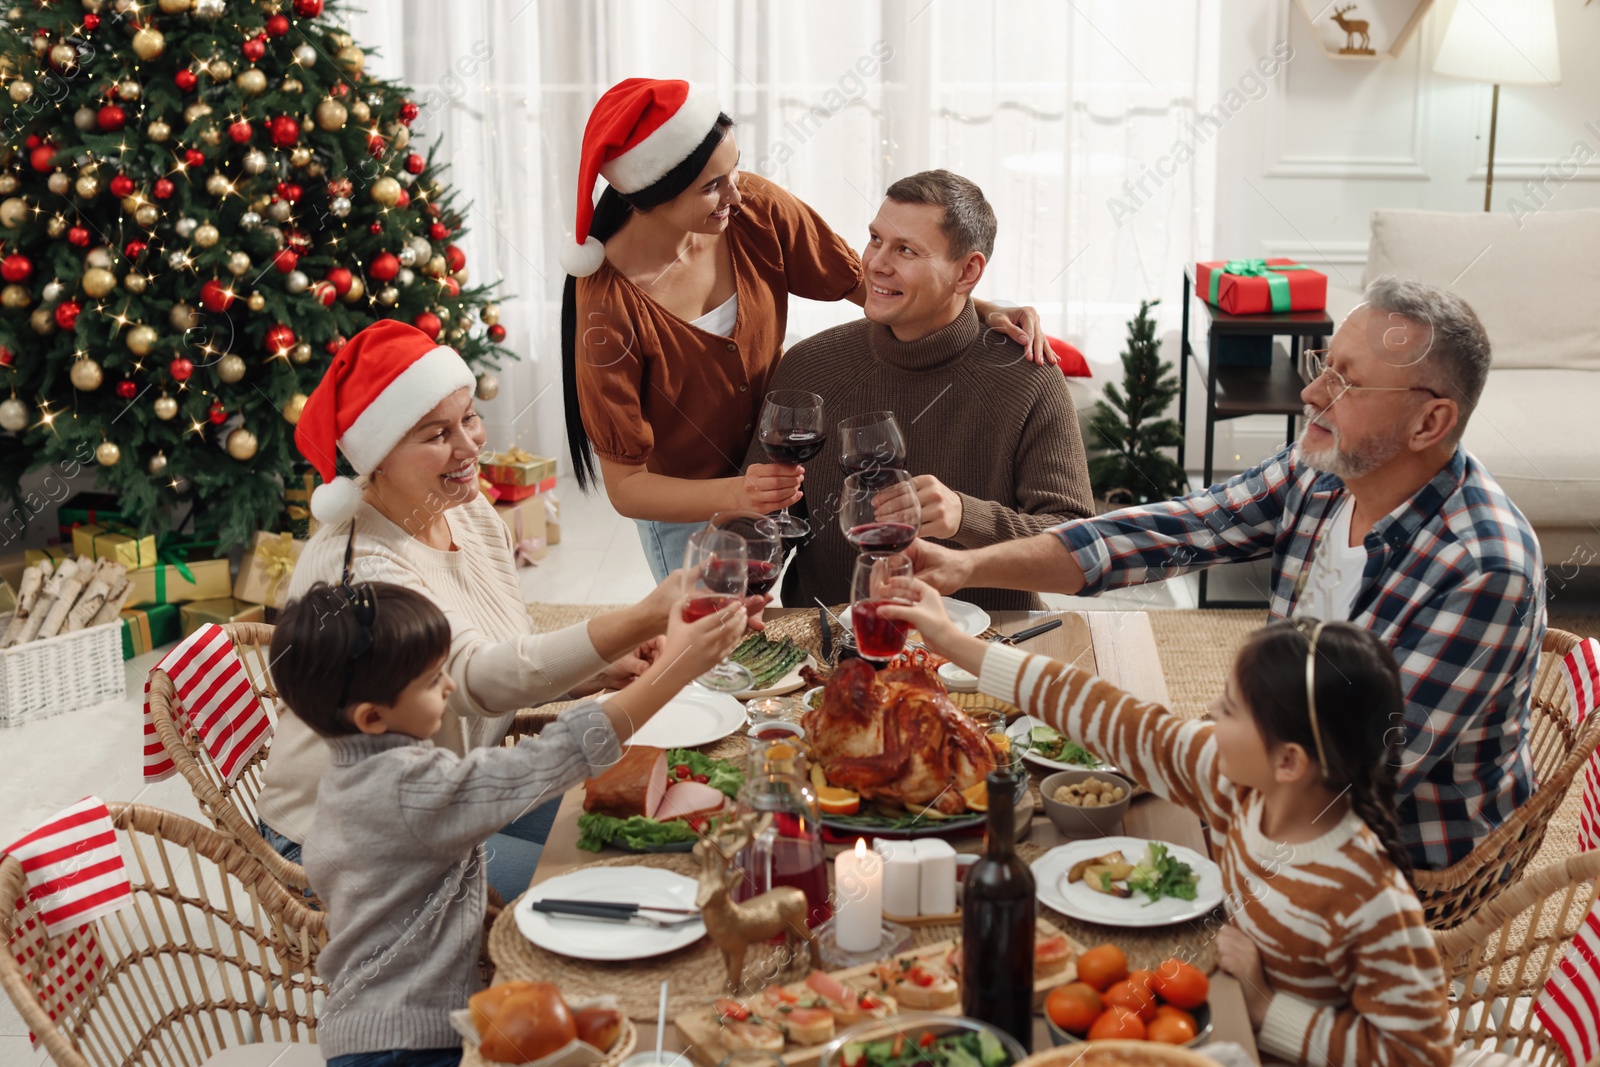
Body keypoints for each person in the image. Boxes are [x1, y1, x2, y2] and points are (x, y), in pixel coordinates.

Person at [910, 276, 1544, 871]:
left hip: (1392, 859)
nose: (1312, 393)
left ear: (1430, 422)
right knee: (1052, 825)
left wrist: (1157, 748)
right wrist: (967, 565)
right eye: (1324, 366)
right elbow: (1166, 532)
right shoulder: (1325, 469)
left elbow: (1342, 783)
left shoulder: (1485, 571)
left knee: (1090, 843)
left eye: (1348, 384)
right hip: (1286, 767)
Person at [257, 320, 763, 902]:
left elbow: (506, 647)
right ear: (378, 458)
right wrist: (648, 619)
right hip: (359, 841)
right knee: (597, 888)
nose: (471, 445)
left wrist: (596, 671)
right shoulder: (358, 566)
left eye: (468, 418)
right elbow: (470, 679)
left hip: (458, 791)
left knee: (651, 843)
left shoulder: (467, 513)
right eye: (436, 434)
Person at [883, 582, 1450, 1067]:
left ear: (1289, 761)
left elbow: (1421, 1054)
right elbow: (1123, 722)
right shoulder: (1239, 784)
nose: (1209, 715)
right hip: (1224, 1017)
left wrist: (1264, 1006)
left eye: (1229, 709)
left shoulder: (1369, 896)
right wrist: (957, 644)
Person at [560, 78, 1052, 580]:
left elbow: (871, 283)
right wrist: (741, 492)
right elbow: (627, 488)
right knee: (713, 640)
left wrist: (981, 306)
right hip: (688, 507)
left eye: (732, 171)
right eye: (711, 186)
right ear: (652, 197)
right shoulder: (606, 307)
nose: (736, 192)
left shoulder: (753, 209)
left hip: (779, 482)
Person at [273, 581, 744, 1067]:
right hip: (405, 1043)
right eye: (434, 680)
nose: (450, 686)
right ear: (372, 717)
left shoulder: (350, 774)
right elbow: (552, 758)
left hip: (368, 1028)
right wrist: (673, 671)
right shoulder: (408, 789)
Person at [742, 169, 1093, 610]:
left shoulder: (1028, 375)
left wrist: (967, 517)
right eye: (875, 239)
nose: (875, 263)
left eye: (905, 249)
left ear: (967, 271)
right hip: (831, 639)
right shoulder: (810, 364)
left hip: (991, 643)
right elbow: (761, 523)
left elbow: (1078, 546)